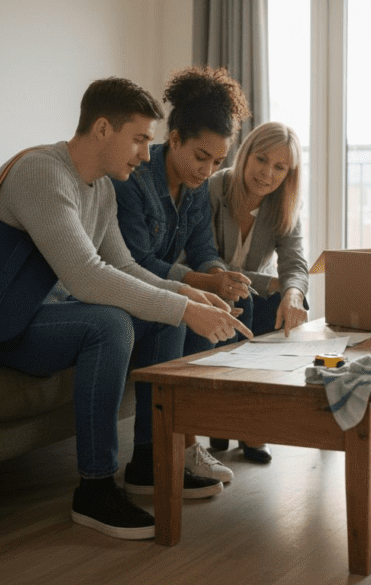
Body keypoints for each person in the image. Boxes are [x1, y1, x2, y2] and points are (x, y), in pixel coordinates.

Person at [0, 77, 252, 542]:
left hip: (35, 316)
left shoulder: (101, 188)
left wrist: (187, 297)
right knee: (109, 324)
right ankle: (94, 488)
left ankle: (148, 460)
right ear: (103, 129)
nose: (148, 154)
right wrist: (182, 306)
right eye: (141, 139)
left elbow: (121, 265)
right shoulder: (41, 172)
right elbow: (87, 275)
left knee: (161, 315)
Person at [113, 66, 252, 483]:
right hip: (126, 288)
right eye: (200, 156)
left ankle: (187, 445)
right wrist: (202, 284)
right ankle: (151, 457)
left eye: (218, 161)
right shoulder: (132, 180)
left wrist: (219, 276)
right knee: (176, 314)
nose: (207, 170)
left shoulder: (194, 188)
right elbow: (135, 263)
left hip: (162, 287)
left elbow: (205, 249)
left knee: (211, 308)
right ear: (173, 139)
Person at [202, 121, 310, 463]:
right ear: (246, 153)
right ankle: (223, 418)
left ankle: (254, 423)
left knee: (293, 303)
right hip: (211, 287)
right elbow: (205, 259)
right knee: (247, 299)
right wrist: (268, 283)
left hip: (249, 292)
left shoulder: (284, 204)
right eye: (262, 160)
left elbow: (295, 263)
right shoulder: (213, 189)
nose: (268, 174)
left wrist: (292, 292)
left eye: (280, 167)